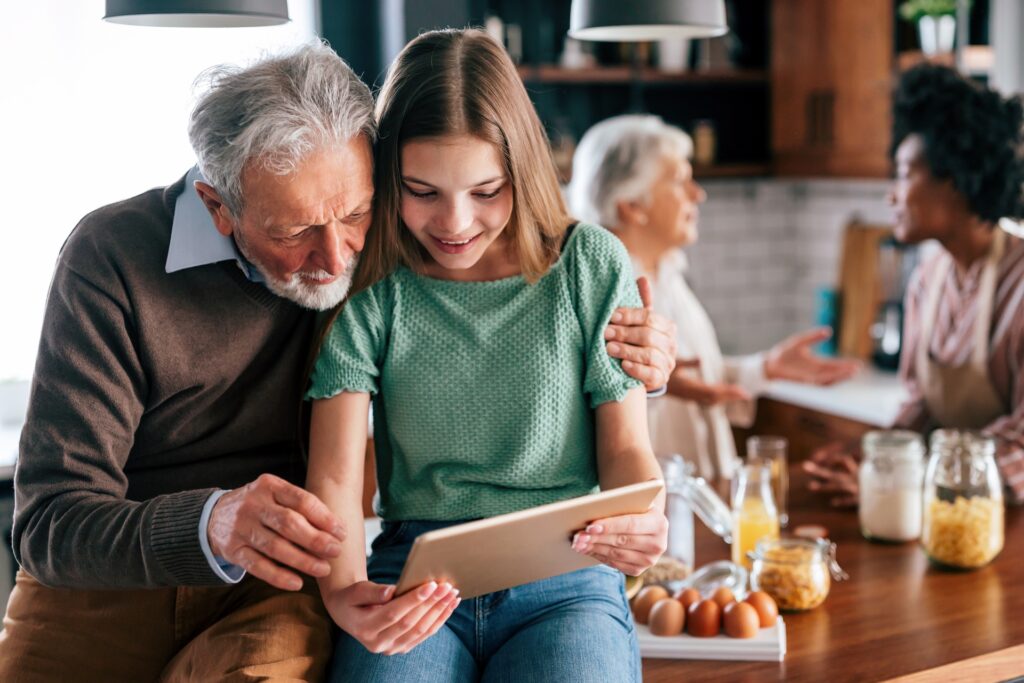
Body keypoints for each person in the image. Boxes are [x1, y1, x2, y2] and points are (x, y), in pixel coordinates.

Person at [0, 42, 678, 681]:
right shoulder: (112, 258)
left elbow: (560, 368)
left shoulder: (384, 253)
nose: (336, 259)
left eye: (356, 213)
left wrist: (648, 365)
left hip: (281, 579)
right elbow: (47, 521)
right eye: (294, 231)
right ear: (218, 208)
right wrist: (213, 523)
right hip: (114, 575)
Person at [305, 29, 667, 682]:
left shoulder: (589, 262)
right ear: (389, 177)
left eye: (485, 190)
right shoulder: (371, 281)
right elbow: (333, 475)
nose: (455, 221)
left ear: (521, 170)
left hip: (565, 574)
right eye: (422, 190)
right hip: (413, 576)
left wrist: (646, 512)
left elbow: (625, 448)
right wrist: (342, 593)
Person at [568, 115, 861, 480]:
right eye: (679, 181)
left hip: (700, 495)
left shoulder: (669, 272)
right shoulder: (602, 291)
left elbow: (698, 377)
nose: (697, 193)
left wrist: (767, 367)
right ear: (632, 204)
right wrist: (655, 384)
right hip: (654, 508)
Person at [804, 64, 1024, 507]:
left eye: (905, 174)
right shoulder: (928, 279)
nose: (892, 195)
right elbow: (922, 405)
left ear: (956, 181)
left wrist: (902, 482)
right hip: (943, 519)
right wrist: (873, 455)